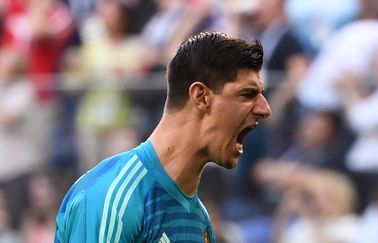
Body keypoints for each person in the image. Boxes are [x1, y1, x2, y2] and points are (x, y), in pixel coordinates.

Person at [54, 31, 271, 243]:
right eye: (248, 94)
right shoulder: (112, 198)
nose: (265, 109)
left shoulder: (200, 220)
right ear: (201, 96)